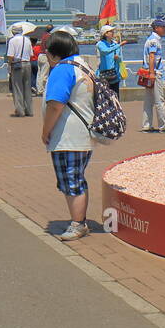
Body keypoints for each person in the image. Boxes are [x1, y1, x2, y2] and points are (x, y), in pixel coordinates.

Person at [41, 30, 96, 241]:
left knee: (71, 179)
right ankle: (79, 220)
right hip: (83, 133)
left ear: (54, 53)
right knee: (77, 178)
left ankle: (78, 223)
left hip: (68, 135)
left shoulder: (63, 69)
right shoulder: (83, 65)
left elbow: (55, 104)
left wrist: (45, 131)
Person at [140, 17, 165, 133]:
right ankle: (163, 125)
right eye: (163, 27)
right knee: (159, 100)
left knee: (149, 100)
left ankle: (147, 125)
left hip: (149, 72)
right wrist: (152, 73)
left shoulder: (151, 39)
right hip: (154, 73)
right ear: (156, 28)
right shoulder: (154, 41)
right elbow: (152, 56)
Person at [6, 23, 33, 116]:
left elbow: (10, 55)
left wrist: (10, 65)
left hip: (17, 64)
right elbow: (31, 54)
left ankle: (20, 111)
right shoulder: (28, 40)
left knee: (17, 88)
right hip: (27, 63)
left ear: (13, 32)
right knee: (27, 87)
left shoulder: (12, 41)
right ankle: (29, 110)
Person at [95, 25, 126, 98]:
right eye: (111, 31)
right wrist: (119, 45)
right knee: (105, 96)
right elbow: (105, 51)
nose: (113, 33)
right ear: (105, 34)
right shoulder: (100, 44)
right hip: (104, 74)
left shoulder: (115, 43)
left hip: (115, 73)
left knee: (115, 96)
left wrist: (117, 58)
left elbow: (119, 59)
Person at [35, 26, 53, 95]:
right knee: (44, 74)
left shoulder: (43, 36)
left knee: (39, 73)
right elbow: (48, 47)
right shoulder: (49, 37)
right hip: (45, 56)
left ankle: (38, 89)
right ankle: (41, 90)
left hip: (40, 55)